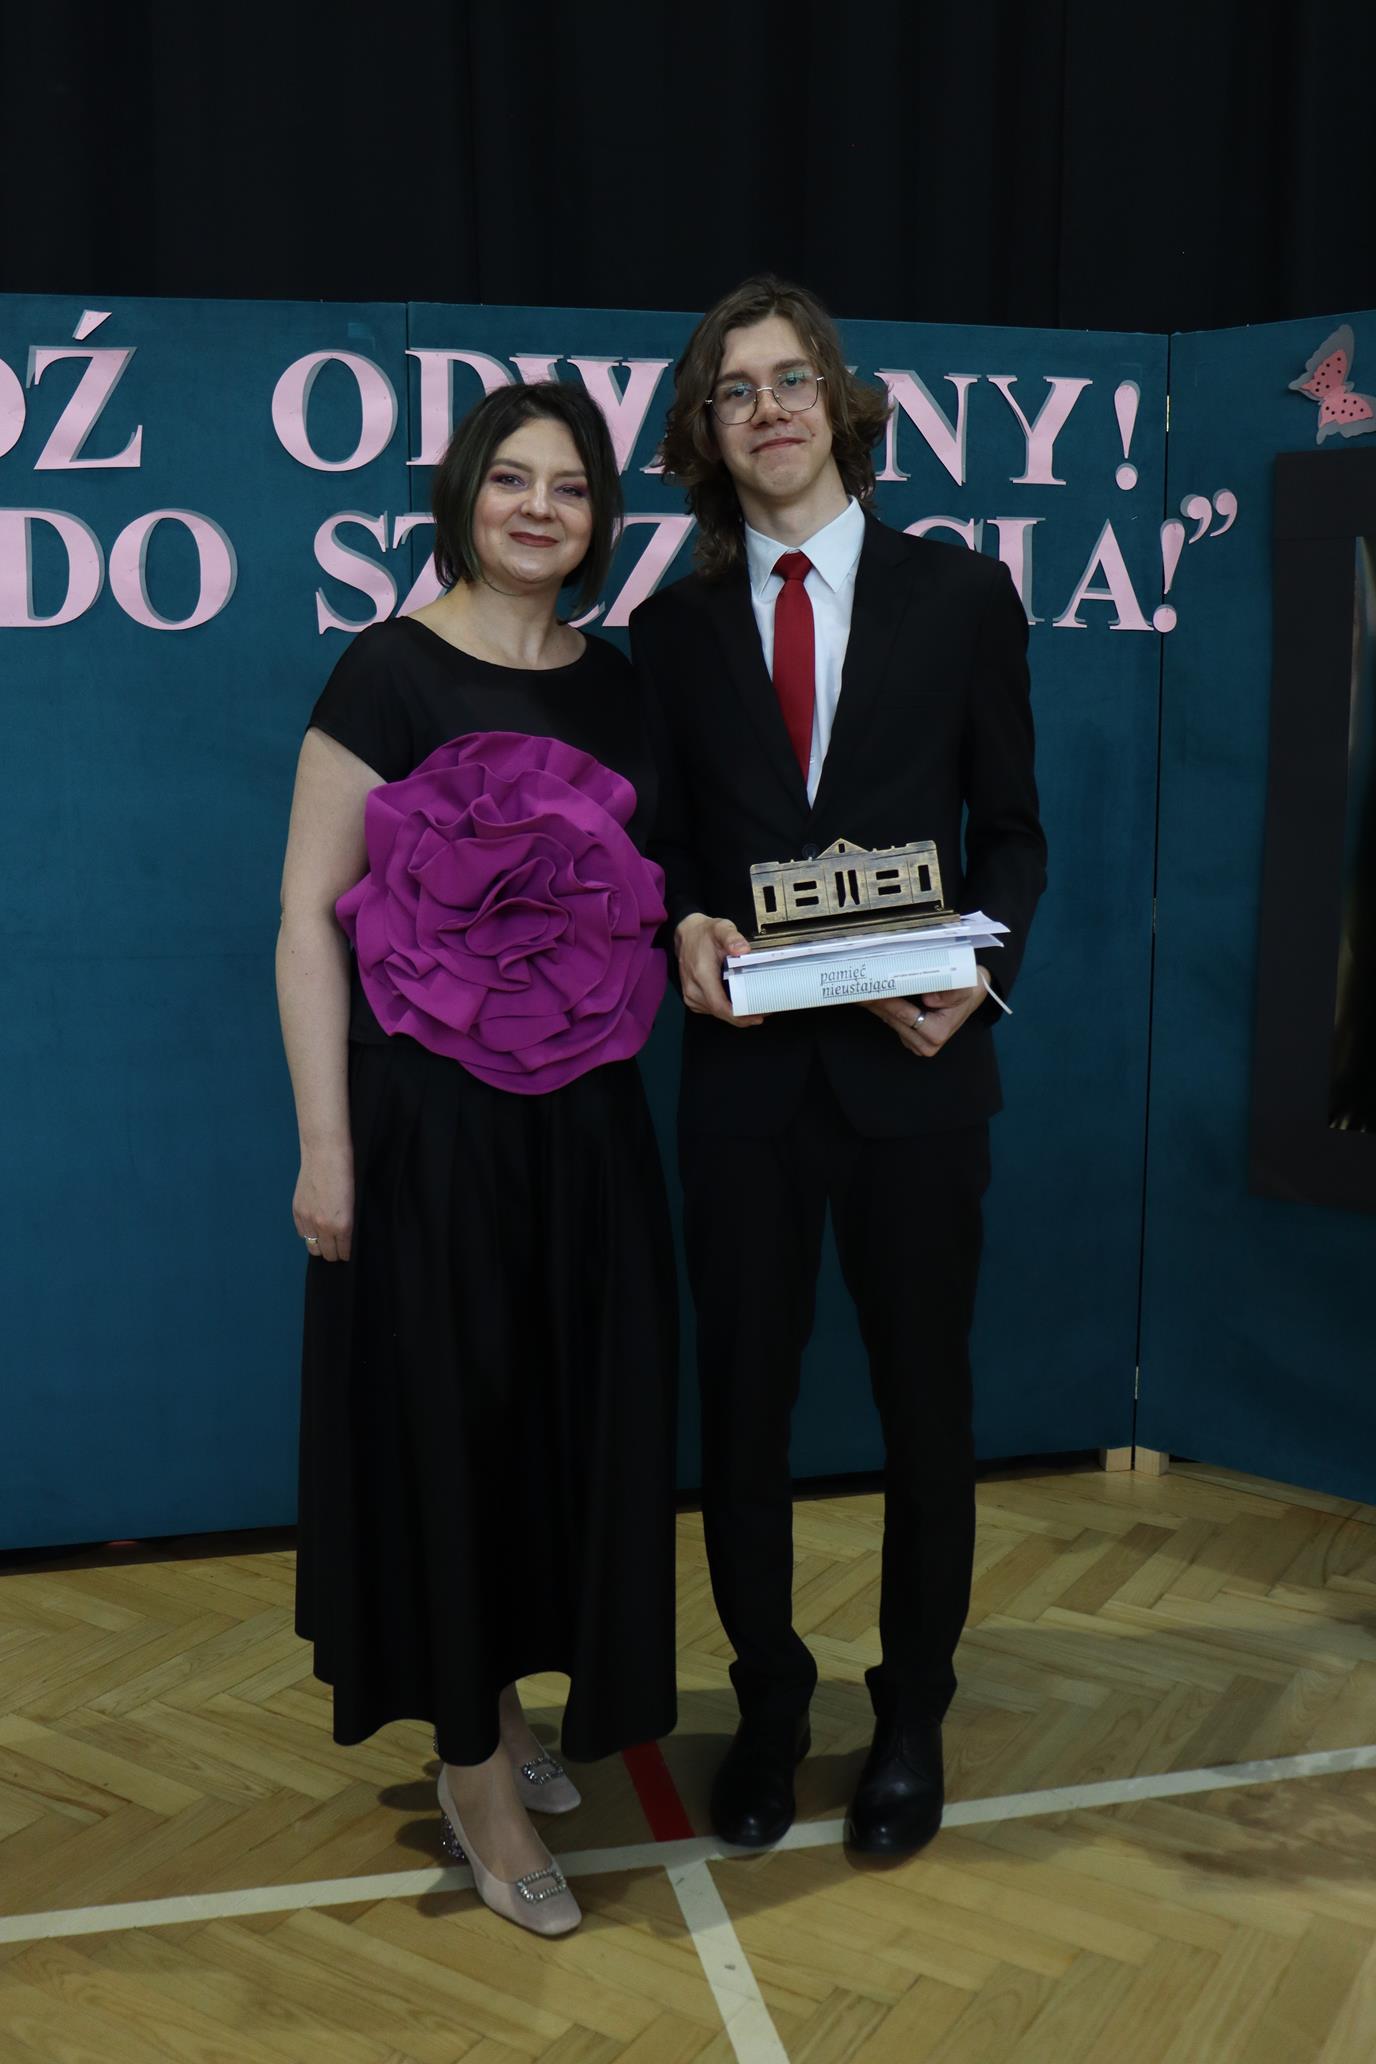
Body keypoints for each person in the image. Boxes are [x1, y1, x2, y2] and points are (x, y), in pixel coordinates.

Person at [631, 277, 1046, 1859]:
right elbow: (669, 846)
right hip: (745, 1089)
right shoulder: (671, 632)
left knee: (926, 1406)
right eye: (735, 390)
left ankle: (912, 1711)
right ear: (708, 433)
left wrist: (982, 984)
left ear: (843, 404)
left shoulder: (964, 597)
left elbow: (1013, 833)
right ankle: (772, 1705)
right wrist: (678, 917)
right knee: (741, 1415)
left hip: (919, 1080)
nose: (769, 409)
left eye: (791, 379)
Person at [277, 382, 677, 1937]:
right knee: (449, 1428)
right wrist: (327, 1150)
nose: (538, 509)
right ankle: (473, 1773)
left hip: (584, 1132)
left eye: (569, 488)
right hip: (428, 1135)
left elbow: (656, 899)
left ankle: (505, 1703)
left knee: (549, 1427)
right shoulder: (385, 672)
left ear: (599, 520)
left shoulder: (620, 687)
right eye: (511, 480)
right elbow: (307, 926)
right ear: (462, 498)